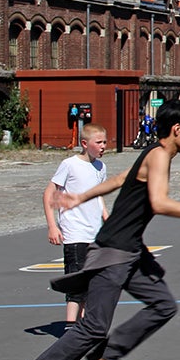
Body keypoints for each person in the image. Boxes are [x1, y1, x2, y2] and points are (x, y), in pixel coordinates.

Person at [15, 100, 180, 360]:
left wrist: (81, 196)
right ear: (177, 129)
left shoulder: (153, 154)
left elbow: (120, 180)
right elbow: (159, 203)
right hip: (114, 251)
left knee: (163, 304)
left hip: (131, 249)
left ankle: (109, 354)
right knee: (94, 326)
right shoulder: (158, 156)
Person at [42, 124, 111, 328]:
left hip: (94, 234)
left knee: (92, 283)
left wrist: (107, 218)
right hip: (75, 233)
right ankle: (70, 326)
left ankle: (83, 326)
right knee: (76, 284)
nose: (103, 146)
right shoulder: (69, 165)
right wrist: (52, 226)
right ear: (84, 143)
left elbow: (97, 196)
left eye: (105, 142)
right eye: (98, 142)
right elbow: (49, 194)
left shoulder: (100, 167)